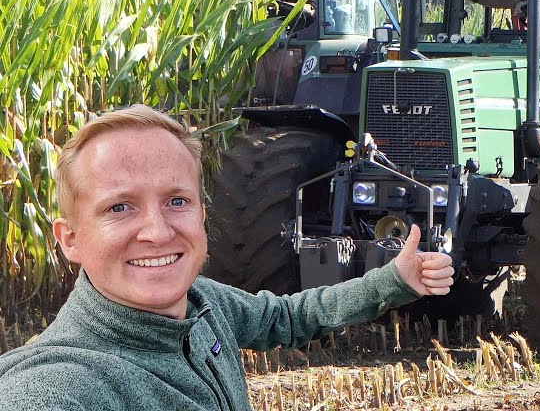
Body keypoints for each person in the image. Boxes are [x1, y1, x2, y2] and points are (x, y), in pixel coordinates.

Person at [0, 105, 453, 410]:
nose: (157, 232)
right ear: (70, 239)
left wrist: (391, 280)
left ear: (202, 214)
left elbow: (290, 317)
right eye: (119, 207)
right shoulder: (59, 384)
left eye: (177, 201)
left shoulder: (204, 303)